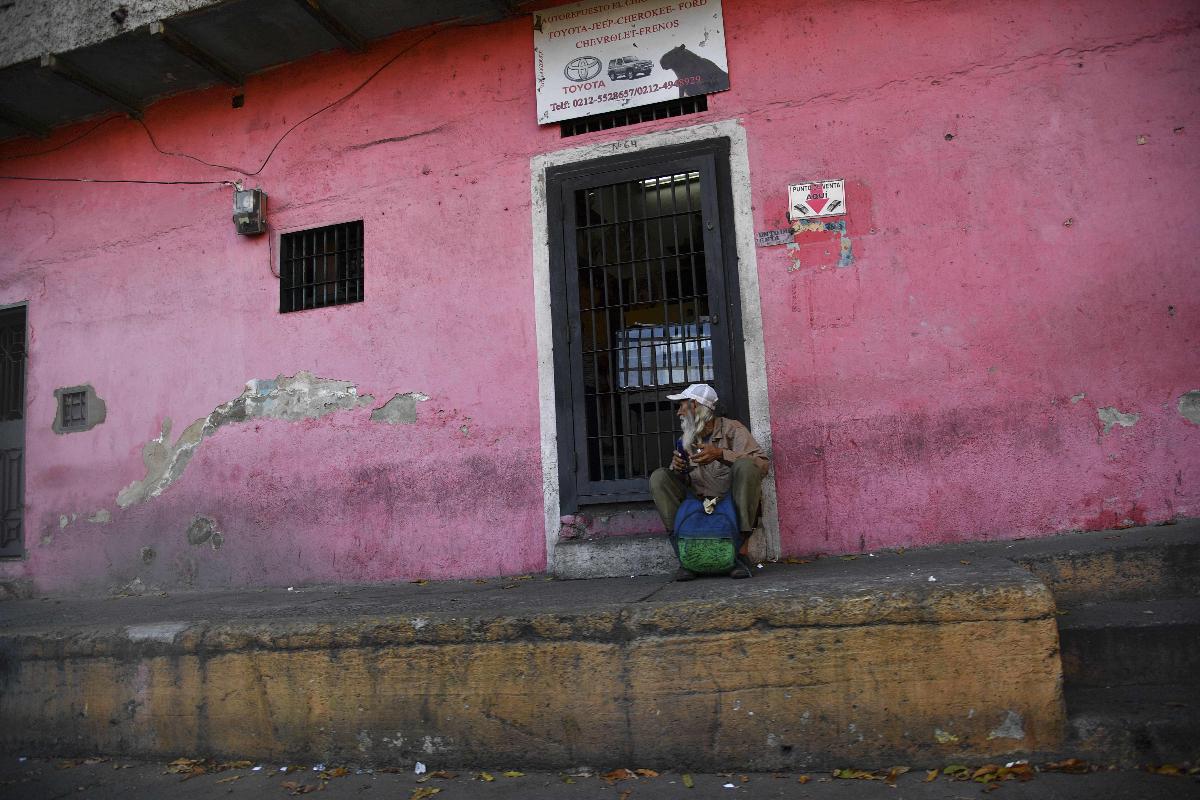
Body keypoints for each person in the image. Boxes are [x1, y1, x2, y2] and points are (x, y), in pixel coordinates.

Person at [649, 383, 768, 580]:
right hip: (696, 505)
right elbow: (683, 482)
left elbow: (762, 465)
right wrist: (677, 469)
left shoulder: (733, 430)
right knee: (660, 477)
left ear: (695, 405)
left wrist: (721, 454)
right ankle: (686, 557)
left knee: (747, 466)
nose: (678, 413)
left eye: (681, 406)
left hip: (728, 503)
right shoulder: (687, 437)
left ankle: (739, 555)